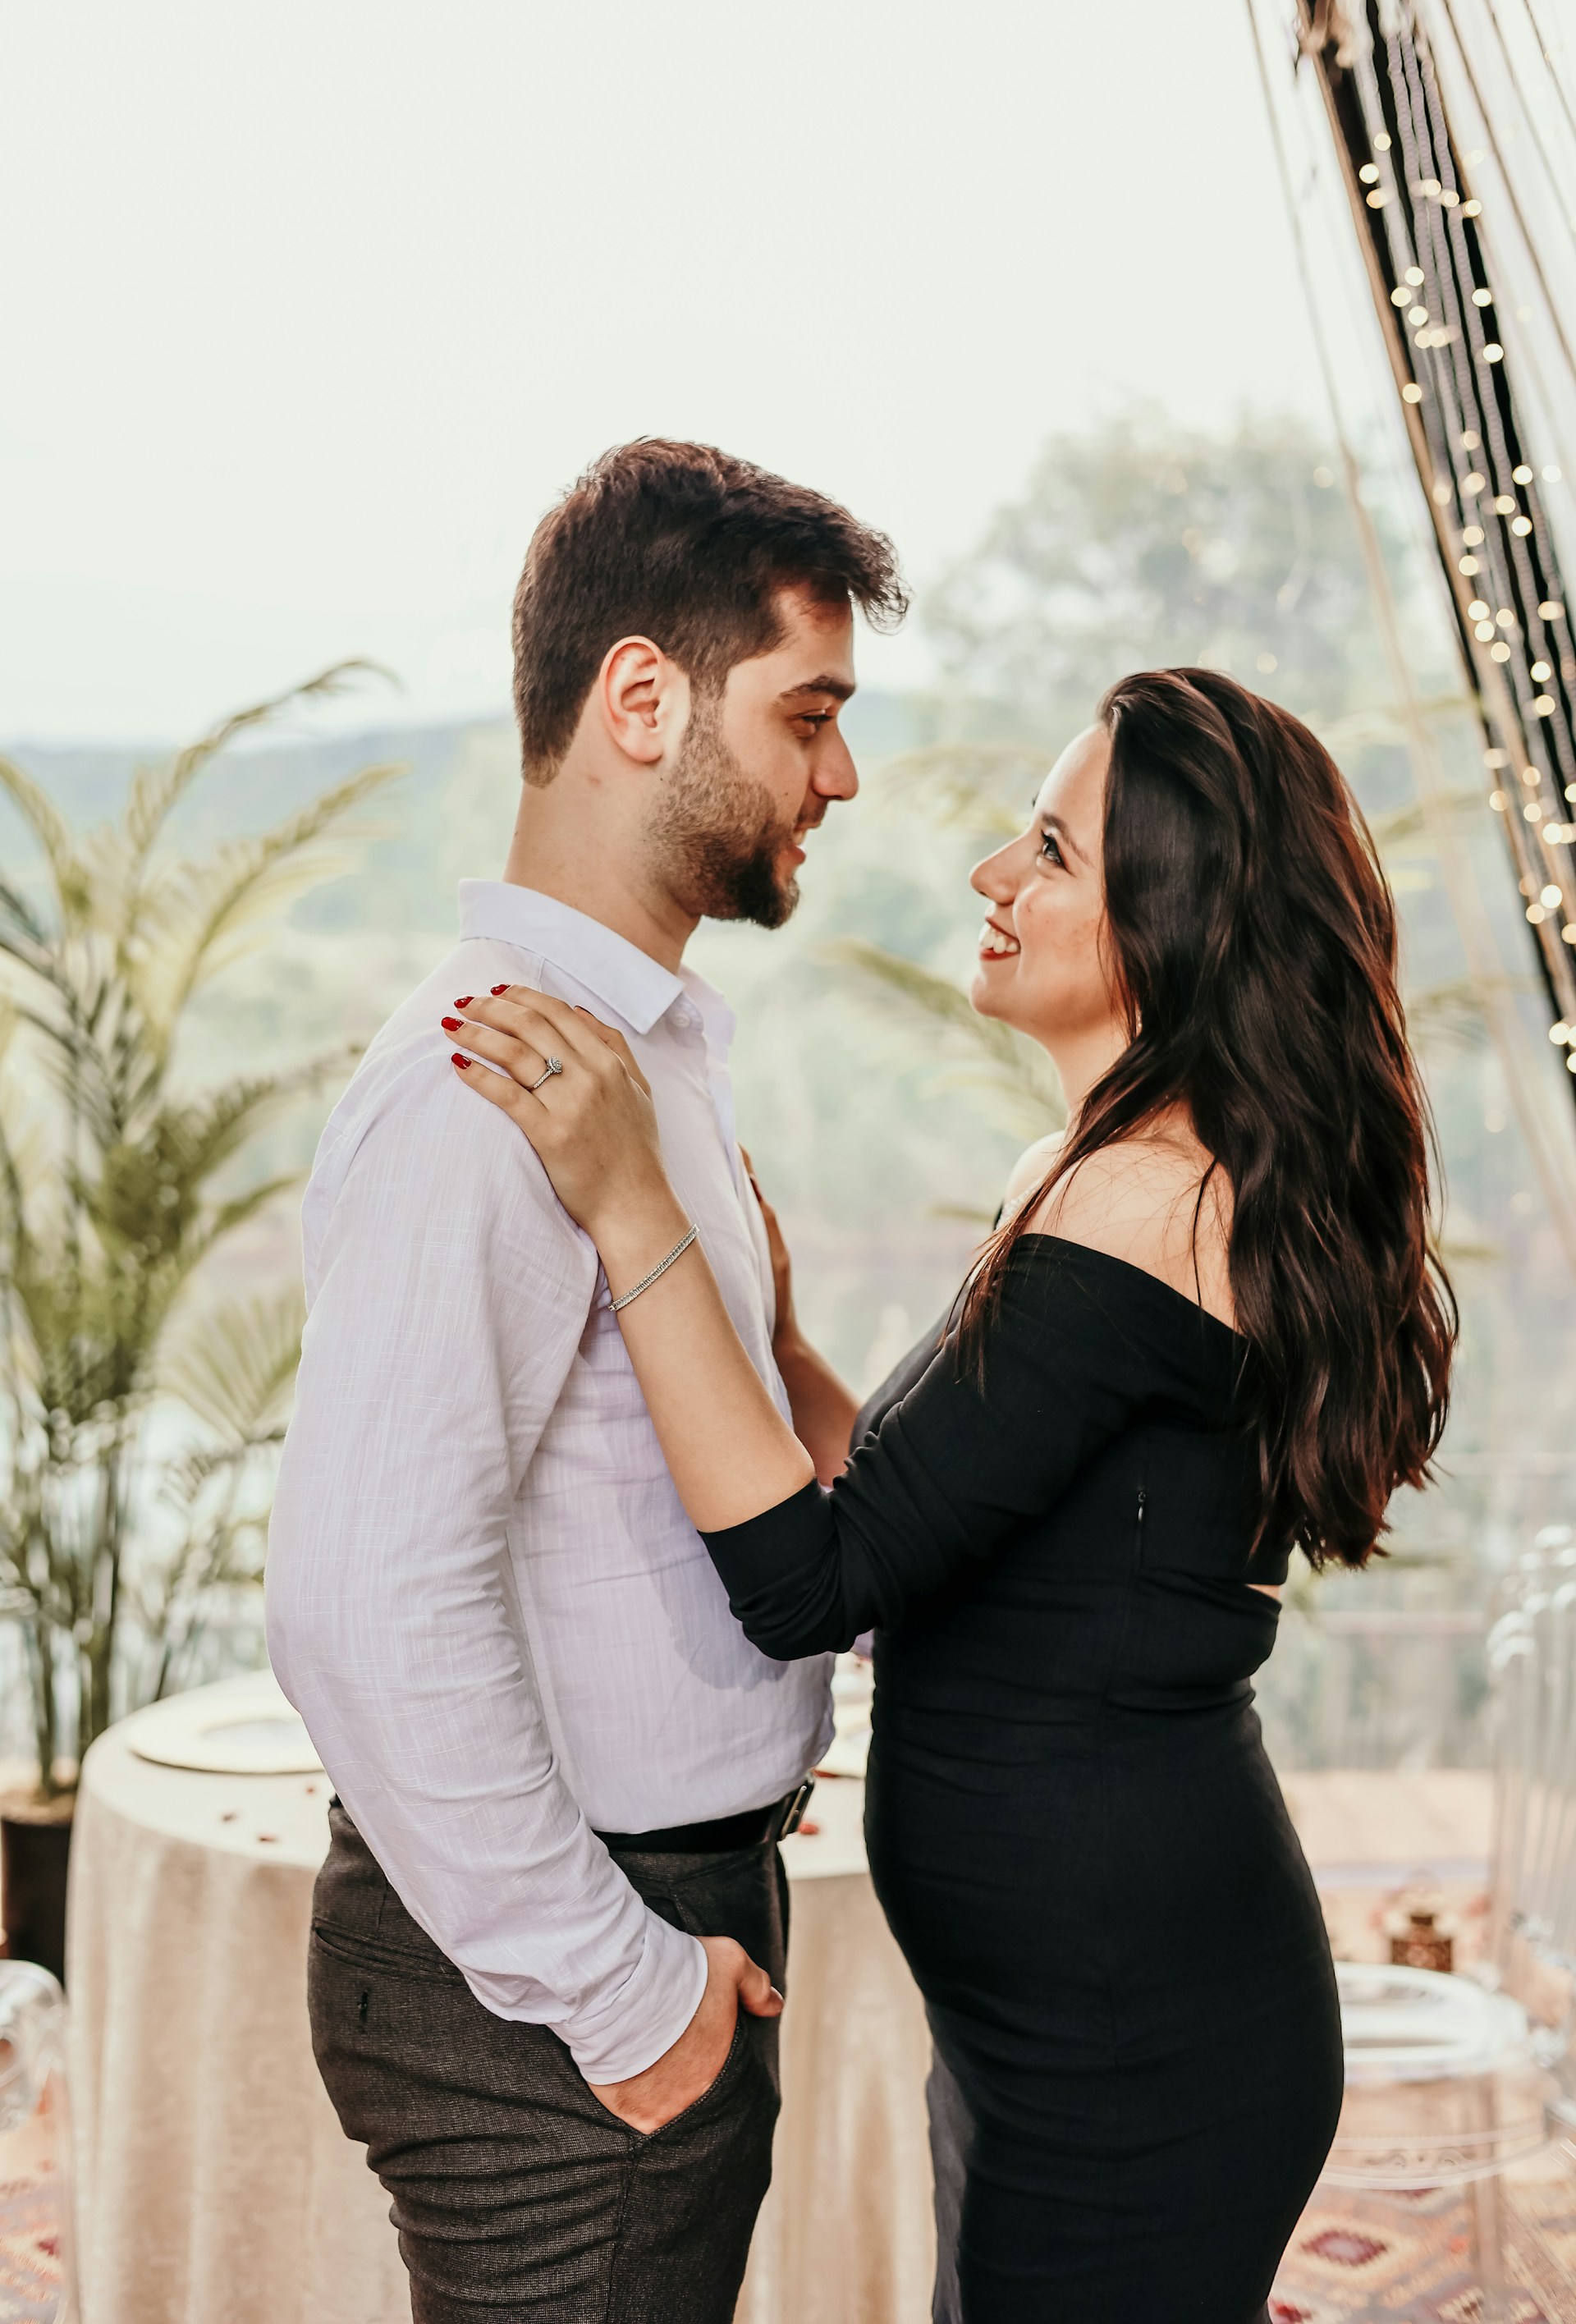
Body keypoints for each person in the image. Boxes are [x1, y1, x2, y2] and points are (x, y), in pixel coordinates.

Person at [447, 666, 1458, 2324]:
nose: (994, 874)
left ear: (1171, 923)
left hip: (1136, 2034)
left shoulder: (1149, 1202)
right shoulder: (1092, 1175)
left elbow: (809, 1580)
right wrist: (767, 1330)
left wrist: (640, 1215)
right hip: (1061, 2013)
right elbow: (922, 1518)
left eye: (1051, 850)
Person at [264, 438, 906, 2323]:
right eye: (810, 713)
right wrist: (625, 1992)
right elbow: (359, 1603)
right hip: (564, 1986)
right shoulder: (494, 1086)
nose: (841, 775)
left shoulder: (643, 1062)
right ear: (644, 697)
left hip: (654, 1914)